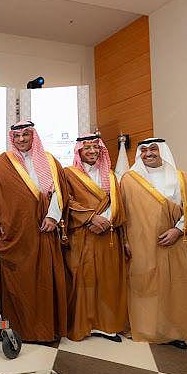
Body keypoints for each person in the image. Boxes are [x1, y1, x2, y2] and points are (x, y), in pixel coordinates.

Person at [0, 120, 68, 342]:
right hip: (12, 235)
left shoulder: (50, 161)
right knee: (15, 285)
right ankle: (14, 329)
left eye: (26, 135)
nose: (21, 139)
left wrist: (52, 216)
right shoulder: (2, 161)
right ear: (12, 138)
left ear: (33, 136)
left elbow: (59, 193)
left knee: (42, 282)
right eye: (17, 136)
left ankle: (44, 330)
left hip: (42, 232)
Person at [121, 138, 187, 349]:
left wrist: (177, 230)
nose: (149, 153)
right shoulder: (129, 179)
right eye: (143, 150)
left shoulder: (182, 177)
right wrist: (125, 240)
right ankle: (147, 328)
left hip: (174, 242)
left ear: (163, 151)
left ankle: (174, 331)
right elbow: (123, 212)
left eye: (153, 149)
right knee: (145, 284)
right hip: (140, 244)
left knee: (173, 286)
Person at [63, 134, 127, 342]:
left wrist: (106, 220)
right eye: (87, 148)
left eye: (95, 147)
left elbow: (117, 202)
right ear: (79, 151)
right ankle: (83, 325)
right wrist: (90, 218)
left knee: (107, 280)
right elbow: (66, 201)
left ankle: (106, 326)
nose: (92, 151)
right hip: (82, 235)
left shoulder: (110, 175)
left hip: (107, 235)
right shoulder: (68, 174)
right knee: (83, 279)